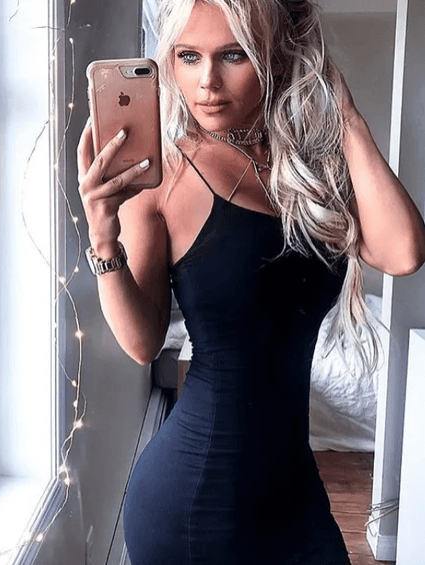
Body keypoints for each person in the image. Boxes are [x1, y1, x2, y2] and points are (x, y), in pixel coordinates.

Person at [77, 0, 425, 563]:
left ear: (276, 55)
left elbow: (403, 252)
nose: (207, 82)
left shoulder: (312, 168)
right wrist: (103, 238)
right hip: (196, 499)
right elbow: (143, 343)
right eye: (189, 56)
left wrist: (346, 115)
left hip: (293, 490)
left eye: (233, 55)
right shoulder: (164, 179)